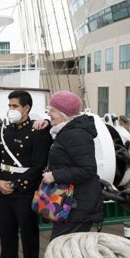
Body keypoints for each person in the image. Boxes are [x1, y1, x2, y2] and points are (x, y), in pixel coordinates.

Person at [0, 91, 52, 258]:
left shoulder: (38, 131)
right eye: (10, 105)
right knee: (6, 233)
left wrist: (16, 185)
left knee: (28, 236)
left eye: (15, 106)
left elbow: (38, 165)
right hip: (3, 188)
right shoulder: (5, 130)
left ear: (26, 108)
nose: (11, 110)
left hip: (24, 191)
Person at [42, 90, 103, 241]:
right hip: (70, 204)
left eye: (53, 110)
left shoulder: (76, 134)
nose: (49, 113)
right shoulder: (66, 131)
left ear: (64, 113)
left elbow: (88, 170)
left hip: (77, 207)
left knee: (60, 248)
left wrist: (54, 175)